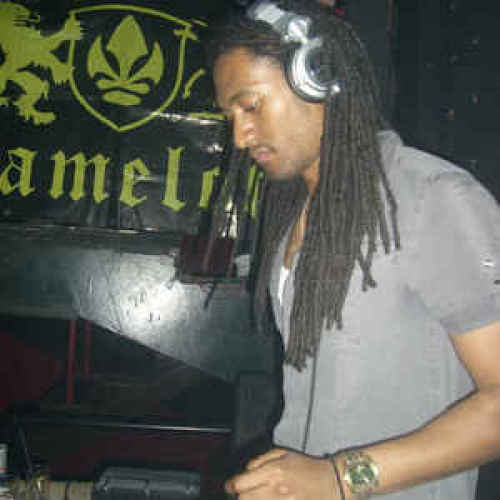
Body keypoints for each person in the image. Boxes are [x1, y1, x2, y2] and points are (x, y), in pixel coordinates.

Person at [205, 1, 500, 498]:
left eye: (250, 105)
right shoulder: (294, 216)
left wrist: (341, 478)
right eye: (230, 115)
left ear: (317, 78)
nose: (239, 136)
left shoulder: (431, 198)